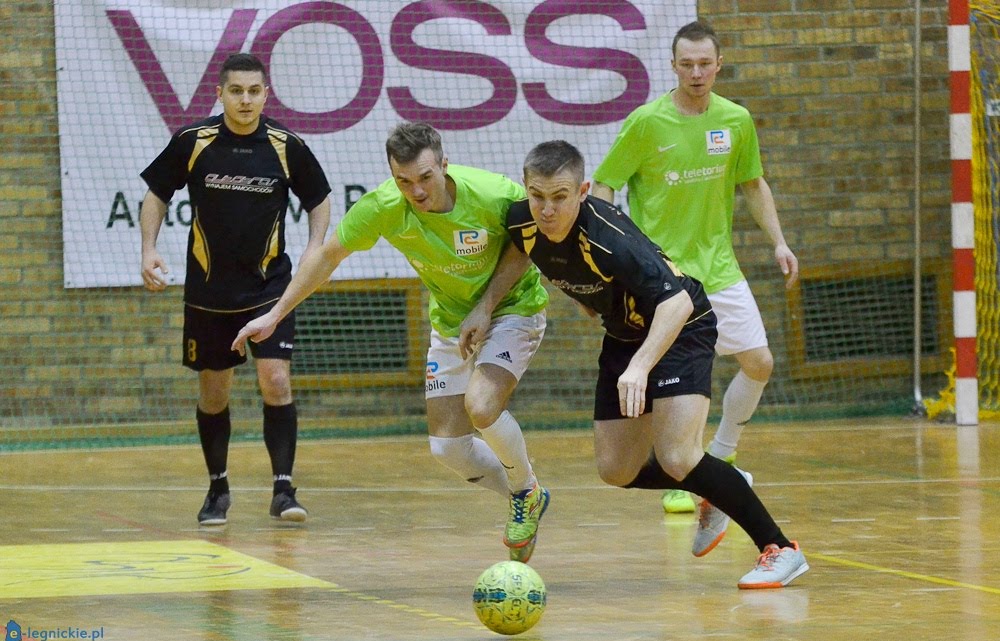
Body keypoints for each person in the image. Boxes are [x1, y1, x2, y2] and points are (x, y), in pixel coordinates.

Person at [232, 122, 551, 562]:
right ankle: (528, 491)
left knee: (482, 406)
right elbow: (327, 257)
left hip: (514, 306)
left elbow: (528, 242)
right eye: (404, 180)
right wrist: (275, 314)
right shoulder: (383, 206)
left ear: (444, 163)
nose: (416, 191)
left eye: (425, 178)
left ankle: (522, 493)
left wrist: (487, 304)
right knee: (447, 449)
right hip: (451, 320)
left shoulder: (495, 194)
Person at [497, 139, 807, 588]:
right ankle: (719, 482)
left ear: (583, 191)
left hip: (680, 326)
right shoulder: (521, 221)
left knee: (678, 454)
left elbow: (677, 302)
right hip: (625, 333)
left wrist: (640, 366)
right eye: (537, 195)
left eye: (560, 197)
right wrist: (483, 309)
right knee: (616, 470)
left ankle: (779, 548)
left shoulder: (610, 239)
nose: (547, 208)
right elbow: (518, 254)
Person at [592, 20, 799, 517]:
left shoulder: (736, 120)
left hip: (720, 270)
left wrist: (779, 242)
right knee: (672, 391)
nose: (696, 72)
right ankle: (688, 470)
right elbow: (603, 187)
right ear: (673, 66)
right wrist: (610, 256)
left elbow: (752, 184)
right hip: (663, 282)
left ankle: (723, 455)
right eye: (686, 64)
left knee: (760, 362)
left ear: (719, 64)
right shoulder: (646, 123)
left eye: (705, 63)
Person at [139, 53, 332, 526]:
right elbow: (156, 195)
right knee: (214, 393)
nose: (245, 100)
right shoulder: (194, 141)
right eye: (236, 91)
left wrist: (315, 248)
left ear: (266, 94)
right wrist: (148, 249)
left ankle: (284, 490)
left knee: (277, 379)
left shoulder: (286, 146)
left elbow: (320, 199)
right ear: (220, 94)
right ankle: (217, 489)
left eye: (253, 91)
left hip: (270, 287)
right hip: (209, 292)